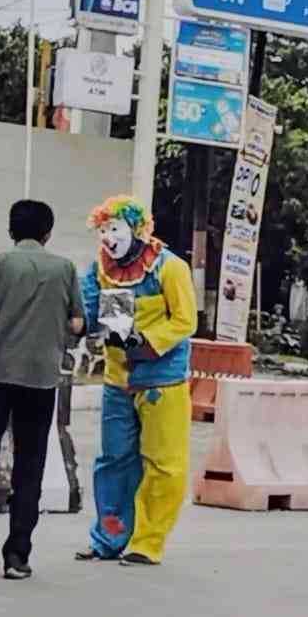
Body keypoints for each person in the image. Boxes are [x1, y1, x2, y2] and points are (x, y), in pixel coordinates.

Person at [0, 200, 85, 582]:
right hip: (40, 379)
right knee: (30, 465)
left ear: (11, 231)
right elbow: (76, 323)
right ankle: (18, 557)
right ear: (48, 233)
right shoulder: (65, 269)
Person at [75, 195, 197, 567]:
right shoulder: (102, 269)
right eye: (102, 231)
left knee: (163, 463)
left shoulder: (170, 267)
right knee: (113, 460)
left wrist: (149, 342)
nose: (108, 238)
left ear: (138, 228)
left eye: (114, 229)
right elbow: (89, 312)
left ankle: (147, 541)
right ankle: (109, 537)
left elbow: (185, 320)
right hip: (117, 380)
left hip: (162, 381)